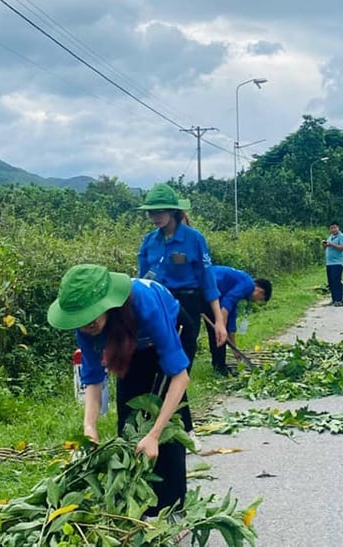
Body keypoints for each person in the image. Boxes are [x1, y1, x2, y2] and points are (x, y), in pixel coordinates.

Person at [47, 264, 190, 515]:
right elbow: (93, 379)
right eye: (80, 321)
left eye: (91, 316)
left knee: (167, 429)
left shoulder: (144, 303)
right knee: (129, 423)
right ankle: (139, 501)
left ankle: (173, 507)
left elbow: (180, 377)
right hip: (129, 345)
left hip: (170, 331)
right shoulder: (87, 328)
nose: (86, 325)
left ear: (107, 304)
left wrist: (154, 435)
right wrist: (89, 428)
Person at [137, 184, 227, 446]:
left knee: (178, 368)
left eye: (160, 211)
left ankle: (187, 430)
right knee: (157, 368)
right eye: (150, 212)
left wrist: (219, 321)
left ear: (174, 212)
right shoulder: (148, 242)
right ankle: (157, 427)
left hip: (187, 307)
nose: (155, 217)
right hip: (156, 307)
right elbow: (142, 281)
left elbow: (208, 282)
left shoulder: (194, 239)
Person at [204, 266, 273, 375]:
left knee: (218, 329)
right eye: (259, 299)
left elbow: (231, 318)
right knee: (219, 330)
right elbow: (227, 302)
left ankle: (218, 365)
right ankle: (220, 367)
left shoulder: (242, 286)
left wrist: (234, 349)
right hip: (204, 284)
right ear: (260, 291)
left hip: (209, 291)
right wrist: (221, 326)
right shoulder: (248, 284)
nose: (255, 301)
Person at [323, 221, 343, 307]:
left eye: (334, 227)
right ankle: (334, 299)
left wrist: (332, 244)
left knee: (337, 281)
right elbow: (328, 247)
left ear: (338, 228)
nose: (333, 229)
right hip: (329, 263)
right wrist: (325, 245)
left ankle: (340, 300)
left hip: (337, 262)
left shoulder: (342, 237)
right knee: (331, 282)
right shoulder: (330, 237)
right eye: (331, 228)